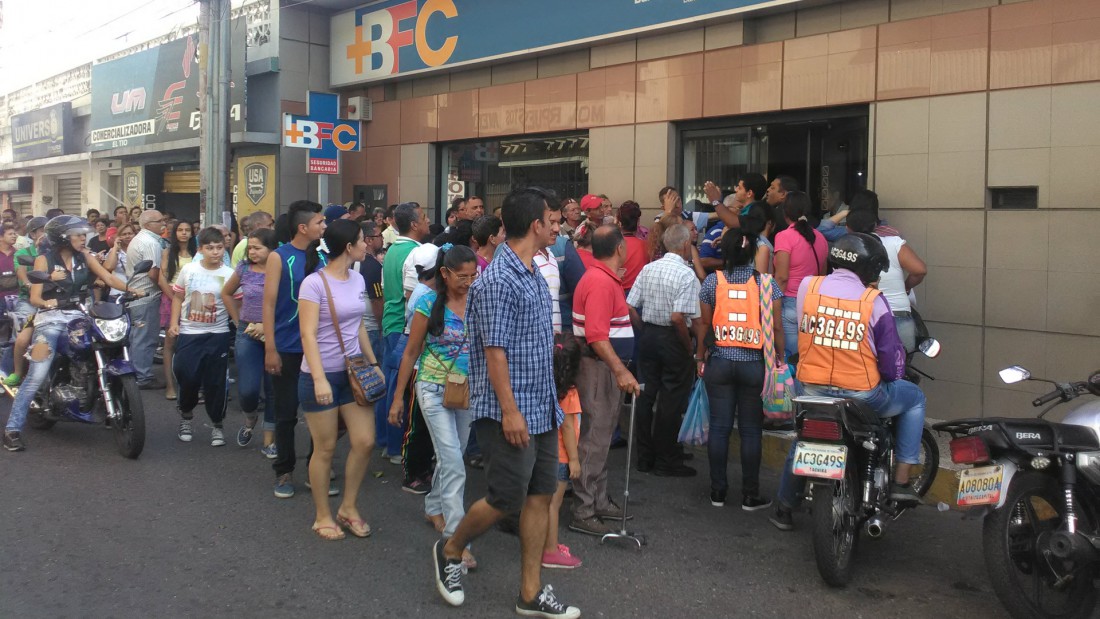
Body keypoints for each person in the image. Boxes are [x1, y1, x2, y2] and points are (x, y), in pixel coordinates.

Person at [432, 186, 580, 619]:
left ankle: (530, 593)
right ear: (535, 224)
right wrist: (511, 411)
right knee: (505, 498)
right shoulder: (497, 279)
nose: (557, 226)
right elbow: (495, 352)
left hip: (542, 406)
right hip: (507, 411)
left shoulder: (533, 271)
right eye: (552, 220)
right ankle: (451, 549)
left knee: (539, 495)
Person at [771, 233, 927, 531]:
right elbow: (891, 358)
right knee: (915, 398)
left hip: (812, 388)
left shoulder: (809, 286)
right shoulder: (874, 301)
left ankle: (784, 507)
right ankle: (902, 480)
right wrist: (895, 373)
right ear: (870, 269)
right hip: (862, 394)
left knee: (806, 437)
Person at [2, 216, 134, 451]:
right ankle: (12, 430)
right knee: (36, 375)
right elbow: (34, 297)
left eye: (84, 234)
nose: (83, 238)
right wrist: (46, 302)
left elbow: (108, 277)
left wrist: (133, 290)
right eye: (78, 234)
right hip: (50, 320)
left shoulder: (85, 256)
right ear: (63, 237)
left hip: (80, 316)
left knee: (106, 347)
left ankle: (104, 402)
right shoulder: (44, 260)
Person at [389, 243, 477, 565]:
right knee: (453, 460)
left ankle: (433, 507)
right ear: (444, 273)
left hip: (466, 391)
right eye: (461, 277)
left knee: (454, 455)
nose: (468, 282)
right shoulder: (428, 301)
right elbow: (411, 352)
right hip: (431, 388)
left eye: (473, 275)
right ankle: (455, 540)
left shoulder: (477, 298)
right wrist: (398, 397)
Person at [297, 219, 380, 540]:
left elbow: (357, 325)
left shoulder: (357, 279)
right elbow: (307, 333)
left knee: (364, 441)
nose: (367, 244)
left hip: (354, 372)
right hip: (320, 374)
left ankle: (348, 507)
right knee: (326, 448)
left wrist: (372, 362)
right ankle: (322, 516)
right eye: (362, 240)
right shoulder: (314, 284)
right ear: (348, 247)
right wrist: (318, 378)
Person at [698, 226, 784, 511]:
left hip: (720, 363)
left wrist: (700, 357)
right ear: (752, 253)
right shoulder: (768, 284)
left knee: (720, 428)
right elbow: (778, 328)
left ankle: (717, 492)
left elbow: (704, 325)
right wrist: (780, 358)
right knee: (750, 431)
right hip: (754, 365)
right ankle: (750, 495)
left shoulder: (713, 282)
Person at [568, 225, 640, 537]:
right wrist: (621, 370)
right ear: (620, 249)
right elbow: (597, 336)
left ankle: (597, 499)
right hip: (599, 368)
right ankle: (583, 509)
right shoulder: (599, 281)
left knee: (601, 436)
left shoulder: (602, 277)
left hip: (603, 367)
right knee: (595, 437)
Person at [264, 200, 327, 499]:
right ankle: (284, 470)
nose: (324, 227)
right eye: (319, 222)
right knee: (286, 413)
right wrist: (270, 348)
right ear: (303, 227)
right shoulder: (280, 257)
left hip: (319, 347)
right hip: (288, 346)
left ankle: (318, 471)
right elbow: (269, 304)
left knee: (321, 412)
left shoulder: (324, 256)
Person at [627, 223, 701, 477]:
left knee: (647, 396)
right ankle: (666, 457)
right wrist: (686, 347)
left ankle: (646, 456)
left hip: (649, 334)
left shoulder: (649, 268)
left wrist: (644, 328)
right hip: (672, 336)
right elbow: (679, 318)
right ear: (683, 246)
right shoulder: (686, 274)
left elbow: (630, 306)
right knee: (672, 398)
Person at [168, 227, 236, 446]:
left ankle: (217, 425)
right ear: (201, 249)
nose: (215, 252)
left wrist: (241, 324)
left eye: (218, 247)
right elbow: (178, 297)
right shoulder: (189, 270)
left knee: (216, 382)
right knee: (187, 374)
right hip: (190, 332)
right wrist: (174, 323)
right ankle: (186, 416)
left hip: (218, 333)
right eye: (210, 248)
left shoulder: (229, 274)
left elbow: (237, 302)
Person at [222, 228, 278, 455]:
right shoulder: (244, 268)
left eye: (257, 247)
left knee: (274, 389)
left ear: (271, 249)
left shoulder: (281, 270)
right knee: (248, 390)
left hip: (275, 332)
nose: (252, 252)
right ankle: (250, 418)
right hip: (248, 332)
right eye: (250, 248)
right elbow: (226, 293)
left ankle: (269, 440)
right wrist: (238, 321)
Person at [378, 202, 427, 463]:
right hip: (403, 327)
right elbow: (413, 296)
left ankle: (386, 440)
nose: (428, 221)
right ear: (415, 224)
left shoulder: (393, 250)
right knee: (401, 389)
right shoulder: (415, 253)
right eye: (424, 217)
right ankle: (396, 447)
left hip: (390, 322)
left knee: (391, 385)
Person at [846, 209, 926, 352]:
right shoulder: (893, 243)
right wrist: (905, 287)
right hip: (898, 313)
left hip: (864, 317)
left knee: (867, 367)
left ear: (848, 228)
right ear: (875, 225)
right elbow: (919, 270)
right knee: (901, 365)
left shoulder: (848, 249)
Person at [542, 335, 583, 570]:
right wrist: (574, 460)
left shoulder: (549, 385)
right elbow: (567, 426)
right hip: (560, 458)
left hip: (546, 453)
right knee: (553, 505)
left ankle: (544, 543)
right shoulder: (570, 392)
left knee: (541, 502)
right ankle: (550, 550)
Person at [773, 191, 827, 364]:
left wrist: (772, 304)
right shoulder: (820, 238)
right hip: (813, 304)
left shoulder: (784, 237)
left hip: (789, 302)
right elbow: (822, 276)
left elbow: (781, 277)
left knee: (791, 361)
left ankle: (792, 391)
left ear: (784, 212)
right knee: (809, 360)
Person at [127, 210, 168, 390]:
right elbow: (154, 274)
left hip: (138, 296)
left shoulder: (139, 239)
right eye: (160, 221)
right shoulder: (151, 243)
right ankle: (142, 376)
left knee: (138, 337)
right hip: (146, 296)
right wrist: (166, 291)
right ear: (149, 224)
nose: (163, 225)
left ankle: (136, 373)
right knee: (145, 338)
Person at [159, 220, 195, 401]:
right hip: (171, 297)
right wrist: (175, 299)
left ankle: (189, 383)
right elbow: (162, 279)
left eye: (187, 230)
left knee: (190, 342)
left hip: (193, 300)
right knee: (170, 343)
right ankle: (170, 385)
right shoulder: (167, 252)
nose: (184, 233)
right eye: (180, 230)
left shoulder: (197, 253)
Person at [617, 201, 648, 294]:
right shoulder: (647, 245)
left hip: (618, 291)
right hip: (638, 293)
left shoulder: (612, 244)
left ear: (619, 221)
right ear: (638, 222)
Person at [102, 223, 137, 301]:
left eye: (130, 233)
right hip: (117, 293)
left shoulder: (139, 249)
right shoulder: (114, 251)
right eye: (124, 234)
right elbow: (109, 267)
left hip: (136, 293)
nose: (127, 236)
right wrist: (115, 247)